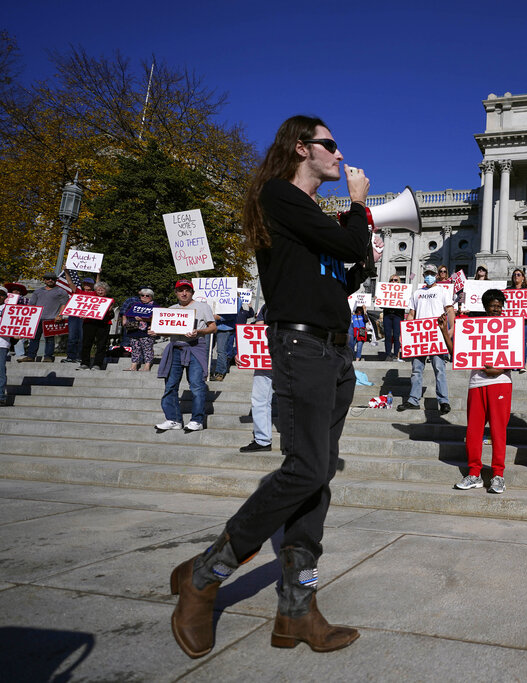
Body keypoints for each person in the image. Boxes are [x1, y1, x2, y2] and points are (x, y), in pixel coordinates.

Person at [169, 115, 371, 658]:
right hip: (301, 347)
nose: (339, 153)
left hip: (334, 351)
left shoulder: (310, 218)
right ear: (302, 147)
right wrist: (356, 204)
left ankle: (296, 610)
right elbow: (353, 245)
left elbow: (356, 265)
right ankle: (205, 575)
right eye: (330, 144)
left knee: (318, 475)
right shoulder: (279, 196)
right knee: (305, 468)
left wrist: (356, 227)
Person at [439, 289, 512, 494]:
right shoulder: (473, 327)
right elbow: (457, 355)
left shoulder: (510, 327)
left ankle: (498, 475)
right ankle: (474, 473)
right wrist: (445, 331)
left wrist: (499, 369)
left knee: (498, 430)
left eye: (499, 306)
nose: (496, 309)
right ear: (485, 307)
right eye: (492, 306)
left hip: (501, 382)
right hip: (477, 383)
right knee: (473, 430)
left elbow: (517, 357)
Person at [154, 280, 216, 432]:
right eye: (180, 290)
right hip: (175, 348)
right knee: (170, 385)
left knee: (196, 385)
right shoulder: (171, 309)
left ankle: (197, 420)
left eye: (187, 290)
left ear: (192, 293)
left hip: (195, 347)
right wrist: (156, 330)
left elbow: (213, 327)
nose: (184, 293)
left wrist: (199, 331)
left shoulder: (202, 307)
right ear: (176, 293)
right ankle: (173, 419)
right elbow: (166, 330)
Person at [398, 263, 454, 414]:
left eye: (432, 273)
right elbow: (411, 314)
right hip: (419, 337)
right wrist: (405, 333)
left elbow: (449, 310)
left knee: (439, 368)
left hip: (436, 335)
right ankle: (413, 400)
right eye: (426, 273)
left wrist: (452, 328)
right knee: (416, 369)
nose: (429, 276)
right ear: (423, 275)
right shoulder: (417, 293)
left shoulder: (442, 291)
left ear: (436, 275)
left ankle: (443, 401)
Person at [240, 304, 273, 453]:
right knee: (259, 399)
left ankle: (299, 442)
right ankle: (262, 439)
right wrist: (244, 351)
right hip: (265, 359)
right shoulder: (268, 306)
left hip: (292, 359)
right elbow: (257, 329)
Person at [18, 273, 69, 363]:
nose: (50, 280)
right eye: (48, 278)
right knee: (33, 338)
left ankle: (48, 357)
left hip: (51, 319)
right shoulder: (37, 291)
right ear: (44, 280)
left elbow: (64, 304)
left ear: (55, 280)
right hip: (37, 318)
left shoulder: (61, 292)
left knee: (49, 340)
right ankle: (31, 356)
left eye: (52, 279)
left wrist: (60, 315)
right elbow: (32, 305)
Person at [76, 281, 116, 370]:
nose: (100, 292)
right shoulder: (89, 299)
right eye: (98, 290)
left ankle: (97, 364)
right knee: (86, 343)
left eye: (102, 290)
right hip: (89, 323)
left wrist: (110, 310)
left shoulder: (110, 300)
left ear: (106, 291)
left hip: (103, 324)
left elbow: (109, 311)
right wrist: (82, 313)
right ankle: (85, 363)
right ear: (95, 291)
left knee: (101, 345)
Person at [62, 277, 95, 364]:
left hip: (85, 318)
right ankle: (70, 356)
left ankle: (79, 357)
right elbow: (70, 282)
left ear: (93, 285)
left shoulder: (94, 294)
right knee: (72, 337)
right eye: (85, 283)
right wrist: (66, 271)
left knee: (82, 338)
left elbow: (98, 284)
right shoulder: (78, 292)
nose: (87, 285)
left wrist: (98, 274)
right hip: (74, 316)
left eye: (89, 284)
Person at [123, 288, 156, 371]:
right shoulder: (135, 305)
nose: (144, 297)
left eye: (147, 296)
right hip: (134, 330)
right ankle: (133, 366)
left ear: (151, 297)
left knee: (147, 349)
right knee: (135, 348)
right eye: (142, 295)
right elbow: (127, 314)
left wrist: (143, 319)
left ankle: (147, 366)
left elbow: (157, 319)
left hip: (146, 331)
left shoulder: (154, 306)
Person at [382, 275, 404, 361]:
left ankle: (395, 355)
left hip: (398, 315)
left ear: (398, 282)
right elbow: (381, 305)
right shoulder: (385, 291)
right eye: (391, 280)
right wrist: (378, 299)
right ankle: (388, 354)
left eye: (395, 280)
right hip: (387, 315)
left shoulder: (403, 291)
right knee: (387, 335)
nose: (393, 282)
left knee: (396, 336)